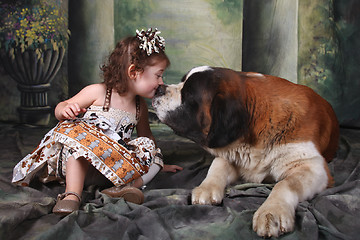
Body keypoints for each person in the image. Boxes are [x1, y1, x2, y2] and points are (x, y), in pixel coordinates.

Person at [12, 28, 182, 216]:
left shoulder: (139, 105)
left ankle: (127, 188)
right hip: (77, 165)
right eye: (158, 75)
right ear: (134, 72)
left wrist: (156, 164)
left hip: (112, 169)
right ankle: (72, 195)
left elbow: (146, 137)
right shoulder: (98, 92)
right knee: (80, 138)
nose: (161, 82)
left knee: (151, 148)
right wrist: (64, 110)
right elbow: (62, 105)